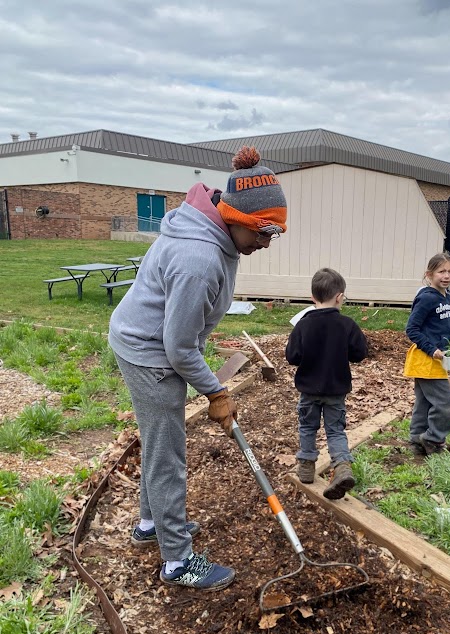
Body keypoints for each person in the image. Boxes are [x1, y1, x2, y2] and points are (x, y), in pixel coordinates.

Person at [109, 146, 287, 590]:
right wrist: (216, 392)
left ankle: (151, 525)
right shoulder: (199, 258)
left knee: (158, 442)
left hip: (148, 343)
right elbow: (179, 348)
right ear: (238, 218)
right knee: (168, 454)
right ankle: (176, 560)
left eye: (274, 234)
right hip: (150, 353)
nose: (266, 243)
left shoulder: (213, 231)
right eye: (264, 232)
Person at [285, 268, 368, 500]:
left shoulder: (303, 324)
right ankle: (341, 466)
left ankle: (306, 467)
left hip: (309, 390)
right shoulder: (347, 325)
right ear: (340, 296)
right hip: (336, 390)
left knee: (307, 427)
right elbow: (360, 353)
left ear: (313, 297)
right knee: (335, 431)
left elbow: (292, 356)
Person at [403, 253, 450, 456]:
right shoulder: (427, 298)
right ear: (429, 274)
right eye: (441, 271)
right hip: (427, 360)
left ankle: (417, 440)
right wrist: (432, 349)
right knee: (445, 403)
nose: (446, 275)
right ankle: (433, 439)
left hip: (438, 358)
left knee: (425, 402)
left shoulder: (445, 295)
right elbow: (412, 329)